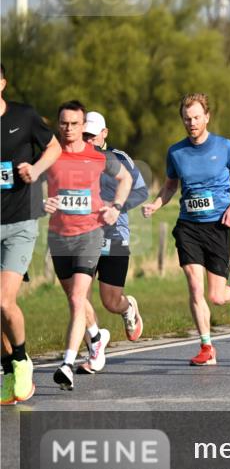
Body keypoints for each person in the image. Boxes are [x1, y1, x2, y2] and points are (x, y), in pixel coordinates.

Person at [142, 93, 230, 366]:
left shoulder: (225, 147)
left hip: (217, 225)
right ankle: (206, 346)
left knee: (216, 295)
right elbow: (170, 185)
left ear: (207, 117)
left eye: (196, 118)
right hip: (188, 225)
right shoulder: (176, 152)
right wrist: (157, 204)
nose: (191, 123)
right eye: (187, 119)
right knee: (193, 283)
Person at [46, 101, 133, 390]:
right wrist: (41, 201)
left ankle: (67, 364)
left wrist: (116, 207)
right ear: (58, 124)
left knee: (76, 299)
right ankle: (96, 336)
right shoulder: (50, 155)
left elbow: (126, 178)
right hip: (59, 237)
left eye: (74, 123)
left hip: (90, 236)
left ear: (83, 126)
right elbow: (29, 184)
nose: (69, 128)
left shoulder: (97, 157)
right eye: (64, 123)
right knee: (75, 297)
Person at [1, 64, 61, 404]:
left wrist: (35, 169)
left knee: (3, 301)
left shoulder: (23, 116)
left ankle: (21, 358)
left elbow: (53, 148)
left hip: (19, 223)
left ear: (3, 83)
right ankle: (7, 369)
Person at [76, 112, 148, 375]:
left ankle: (128, 308)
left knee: (110, 301)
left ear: (105, 133)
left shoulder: (119, 159)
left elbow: (141, 191)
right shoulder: (76, 159)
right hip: (83, 237)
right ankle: (94, 349)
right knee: (78, 297)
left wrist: (115, 207)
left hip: (115, 236)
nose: (89, 140)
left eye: (93, 135)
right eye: (85, 136)